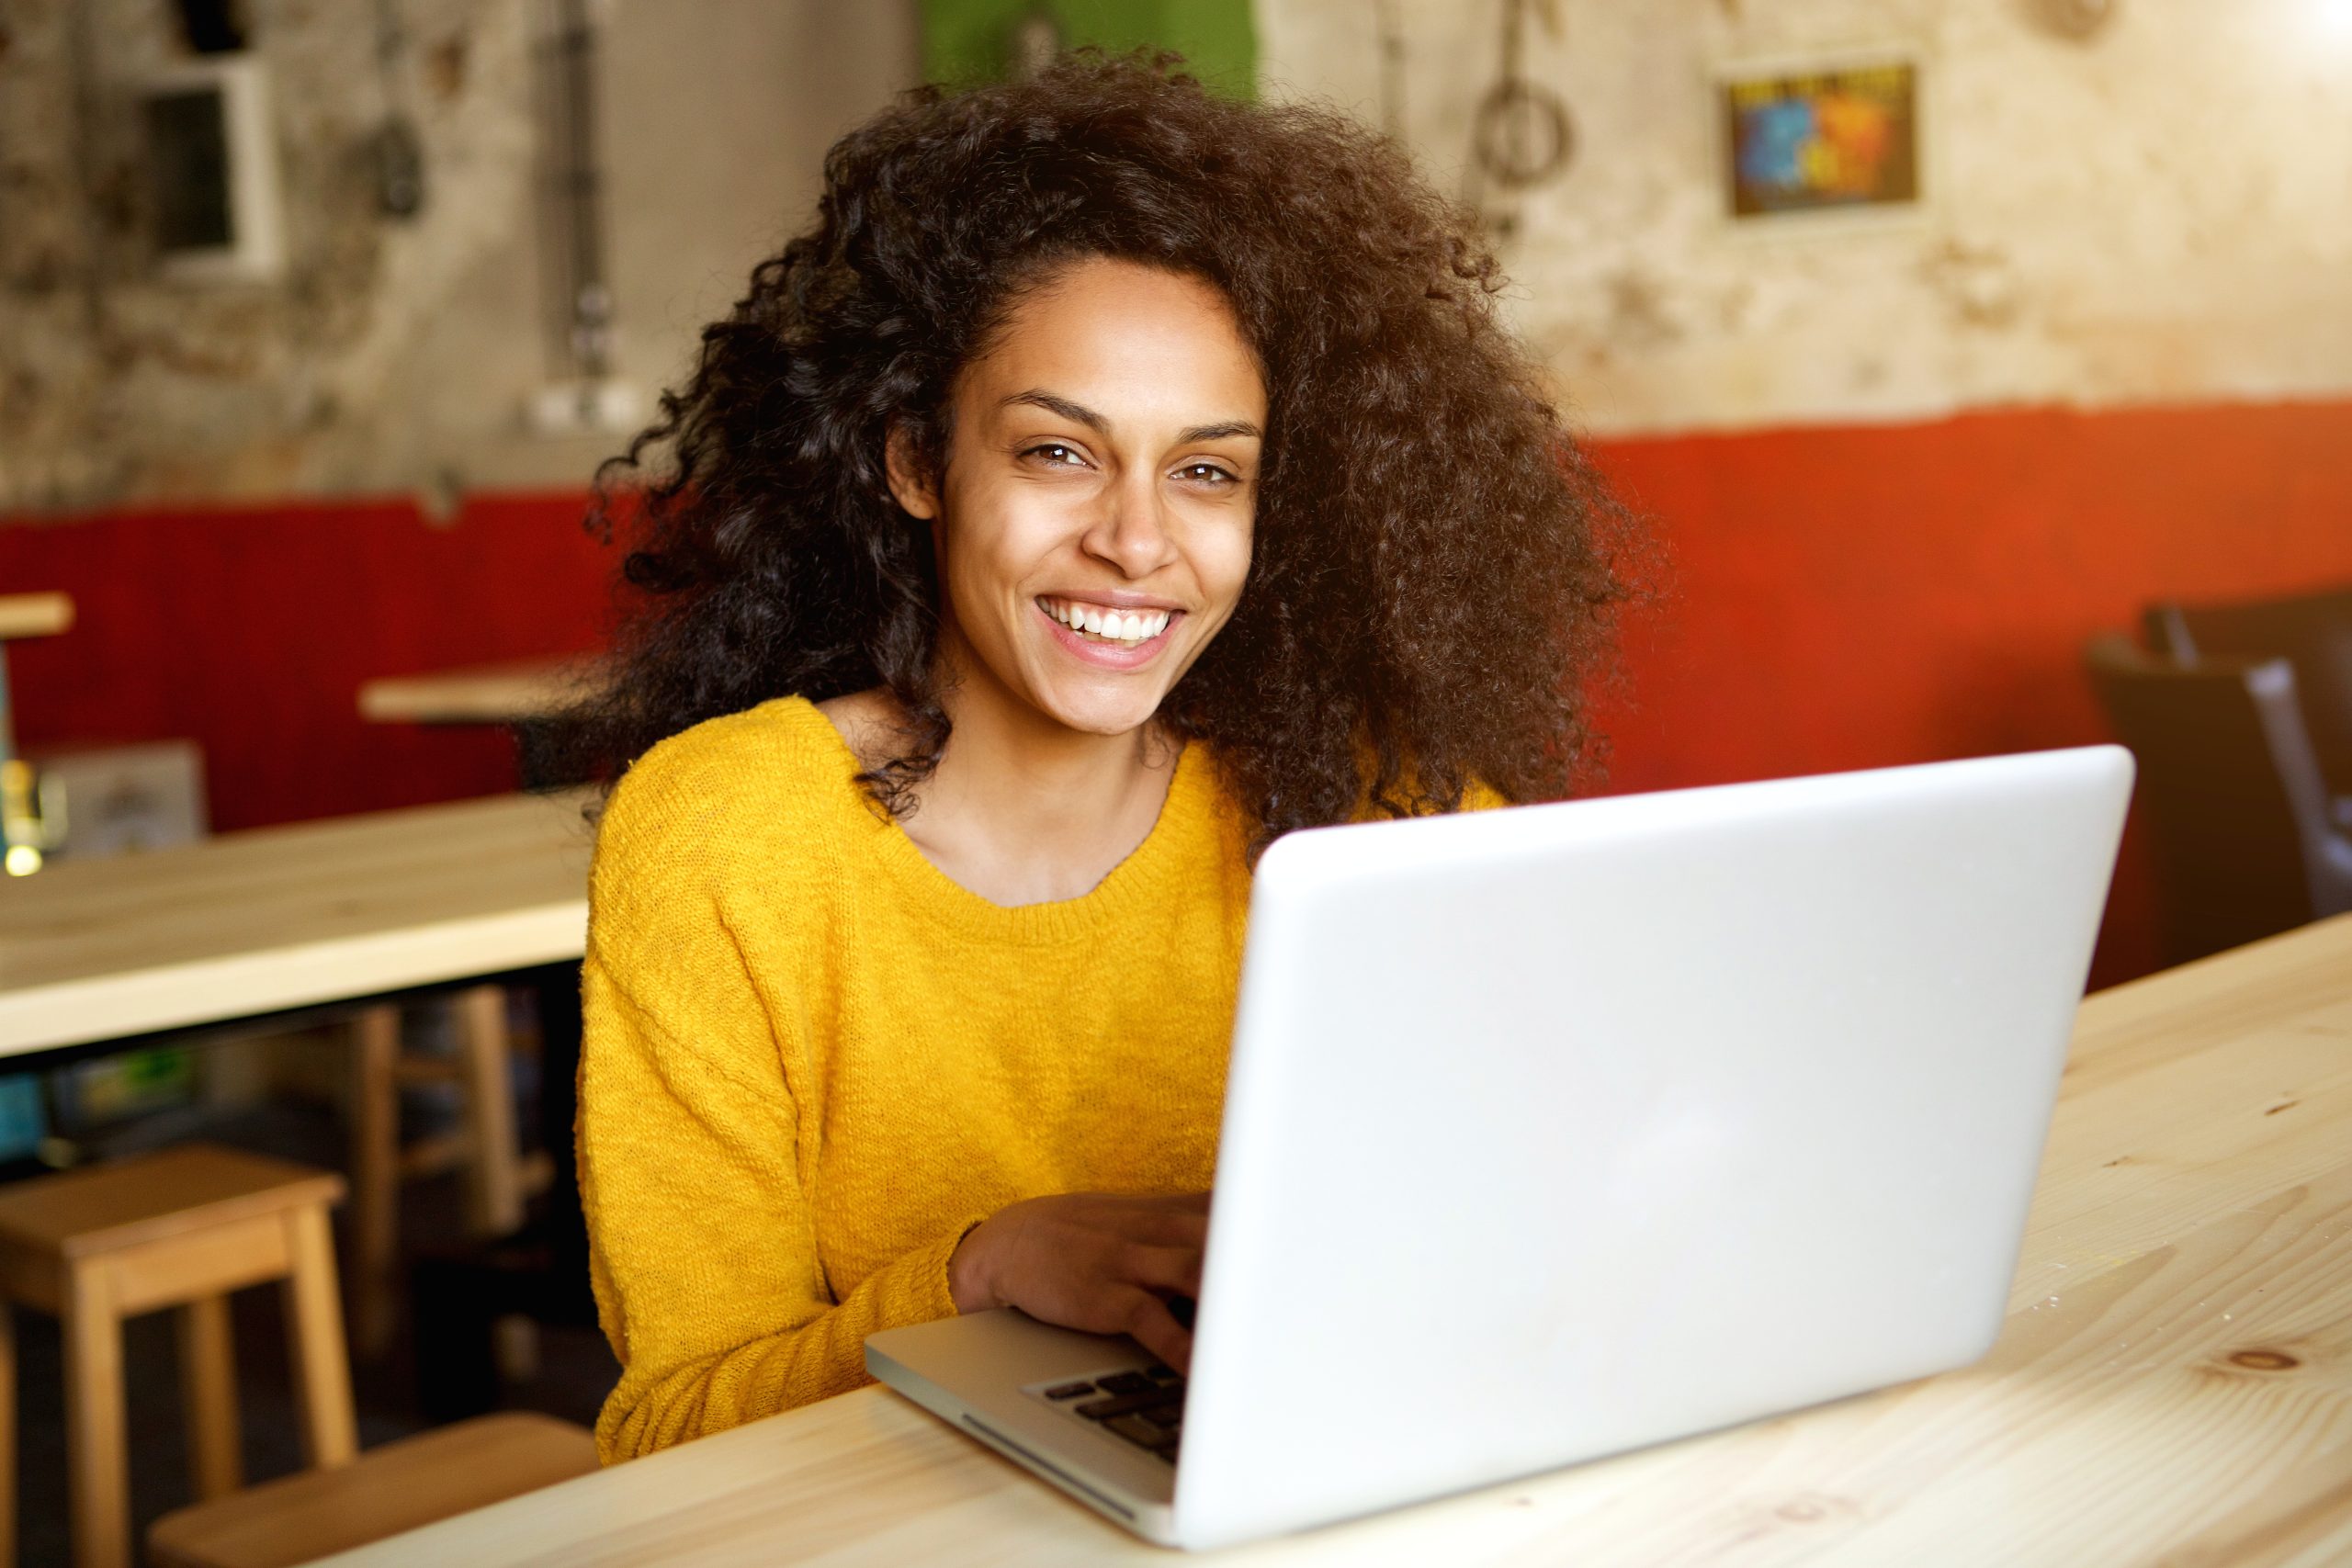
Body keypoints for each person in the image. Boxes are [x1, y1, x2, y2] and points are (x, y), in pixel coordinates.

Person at [565, 51, 1627, 1464]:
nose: (1138, 541)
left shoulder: (1373, 805)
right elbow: (673, 1431)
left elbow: (1556, 1203)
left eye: (1207, 471)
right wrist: (976, 1273)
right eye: (1060, 454)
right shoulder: (722, 837)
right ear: (916, 463)